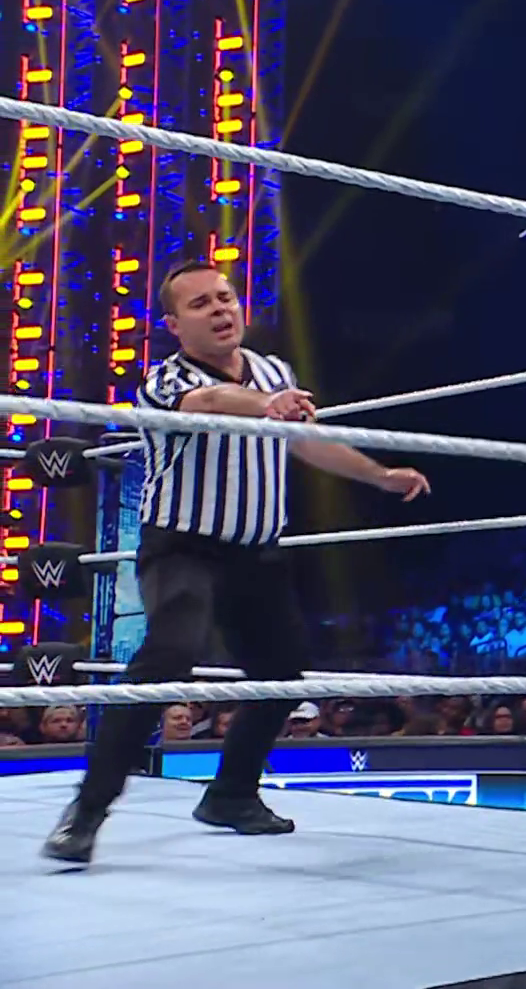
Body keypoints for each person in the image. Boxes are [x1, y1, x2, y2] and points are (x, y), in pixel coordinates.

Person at [43, 261, 430, 865]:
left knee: (281, 671)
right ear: (174, 324)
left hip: (256, 551)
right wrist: (267, 404)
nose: (220, 309)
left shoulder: (276, 372)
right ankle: (87, 811)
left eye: (225, 296)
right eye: (200, 303)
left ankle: (231, 794)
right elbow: (210, 400)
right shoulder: (164, 380)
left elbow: (307, 442)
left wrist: (379, 476)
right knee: (168, 656)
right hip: (183, 546)